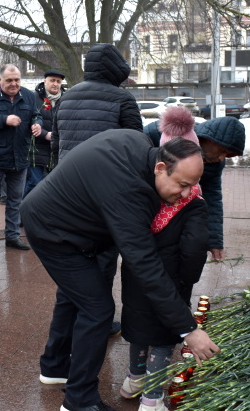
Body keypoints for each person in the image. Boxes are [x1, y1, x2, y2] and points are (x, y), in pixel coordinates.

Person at [22, 130, 220, 411]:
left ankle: (54, 367)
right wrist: (188, 329)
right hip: (54, 233)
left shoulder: (138, 144)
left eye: (194, 186)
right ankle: (79, 401)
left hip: (69, 222)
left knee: (75, 296)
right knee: (97, 310)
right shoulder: (129, 193)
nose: (187, 194)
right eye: (182, 184)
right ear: (160, 168)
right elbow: (145, 266)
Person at [48, 42, 143, 337]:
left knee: (73, 262)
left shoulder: (66, 98)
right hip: (106, 196)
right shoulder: (122, 99)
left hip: (66, 194)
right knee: (102, 262)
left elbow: (55, 147)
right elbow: (137, 150)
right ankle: (96, 323)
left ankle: (69, 326)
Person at [119, 108, 209, 411]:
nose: (185, 192)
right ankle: (152, 398)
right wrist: (188, 279)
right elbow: (195, 247)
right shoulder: (193, 204)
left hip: (136, 277)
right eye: (185, 183)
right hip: (172, 280)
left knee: (138, 330)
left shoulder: (145, 192)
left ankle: (134, 380)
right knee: (162, 338)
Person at [144, 115, 246, 262]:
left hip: (176, 215)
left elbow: (213, 197)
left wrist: (214, 240)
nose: (222, 158)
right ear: (210, 139)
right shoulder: (157, 132)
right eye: (222, 150)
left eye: (228, 155)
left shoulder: (215, 163)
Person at [0, 64, 41, 250]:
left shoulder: (29, 96)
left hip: (20, 156)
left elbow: (36, 115)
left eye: (17, 80)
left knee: (16, 199)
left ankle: (12, 235)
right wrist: (4, 119)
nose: (14, 84)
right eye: (9, 80)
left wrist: (37, 124)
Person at [50, 43, 142, 162]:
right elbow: (136, 144)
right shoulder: (123, 98)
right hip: (107, 173)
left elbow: (55, 143)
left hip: (67, 173)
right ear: (117, 68)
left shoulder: (65, 97)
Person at [23, 69, 65, 197]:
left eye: (58, 81)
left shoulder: (66, 99)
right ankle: (23, 210)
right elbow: (26, 122)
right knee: (34, 184)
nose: (55, 84)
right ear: (45, 81)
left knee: (54, 188)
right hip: (36, 150)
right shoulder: (33, 98)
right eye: (52, 80)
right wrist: (45, 134)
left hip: (56, 151)